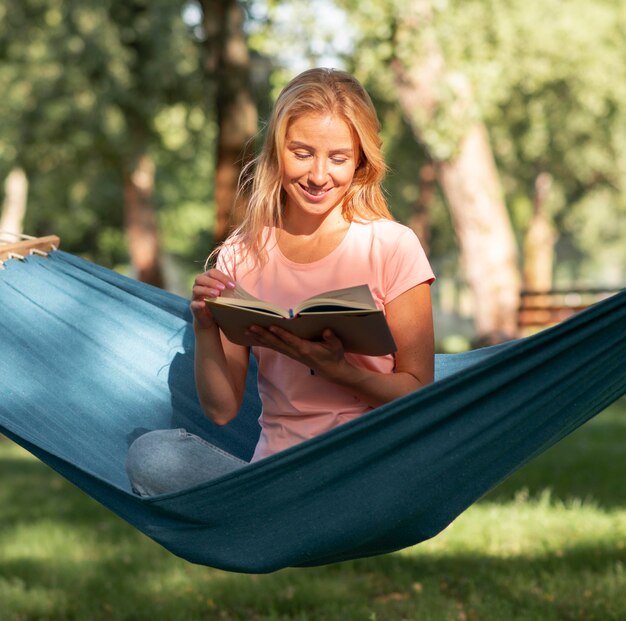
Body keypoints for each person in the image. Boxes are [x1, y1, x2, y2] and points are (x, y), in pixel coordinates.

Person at [126, 67, 435, 496]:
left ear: (362, 160)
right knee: (152, 455)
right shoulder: (243, 252)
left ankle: (262, 519)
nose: (319, 175)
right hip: (277, 483)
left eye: (339, 158)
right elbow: (220, 410)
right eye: (302, 153)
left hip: (366, 470)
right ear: (277, 150)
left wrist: (339, 371)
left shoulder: (392, 246)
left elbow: (420, 396)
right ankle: (264, 521)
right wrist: (205, 326)